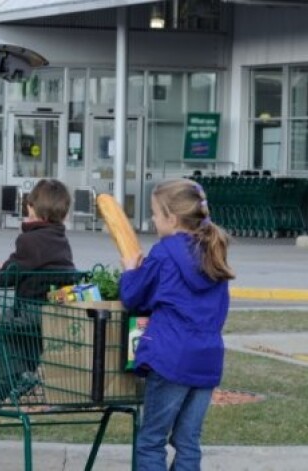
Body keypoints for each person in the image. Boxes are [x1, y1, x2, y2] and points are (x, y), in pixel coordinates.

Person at [118, 178, 235, 471]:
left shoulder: (163, 252)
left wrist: (131, 270)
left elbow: (134, 297)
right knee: (188, 441)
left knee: (151, 441)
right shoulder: (213, 251)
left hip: (170, 357)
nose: (152, 219)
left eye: (155, 213)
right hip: (207, 358)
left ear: (172, 217)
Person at [0, 179, 75, 400]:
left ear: (33, 209)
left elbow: (13, 272)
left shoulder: (29, 240)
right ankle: (26, 375)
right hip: (54, 309)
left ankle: (13, 378)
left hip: (31, 309)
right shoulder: (60, 239)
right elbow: (28, 264)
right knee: (26, 338)